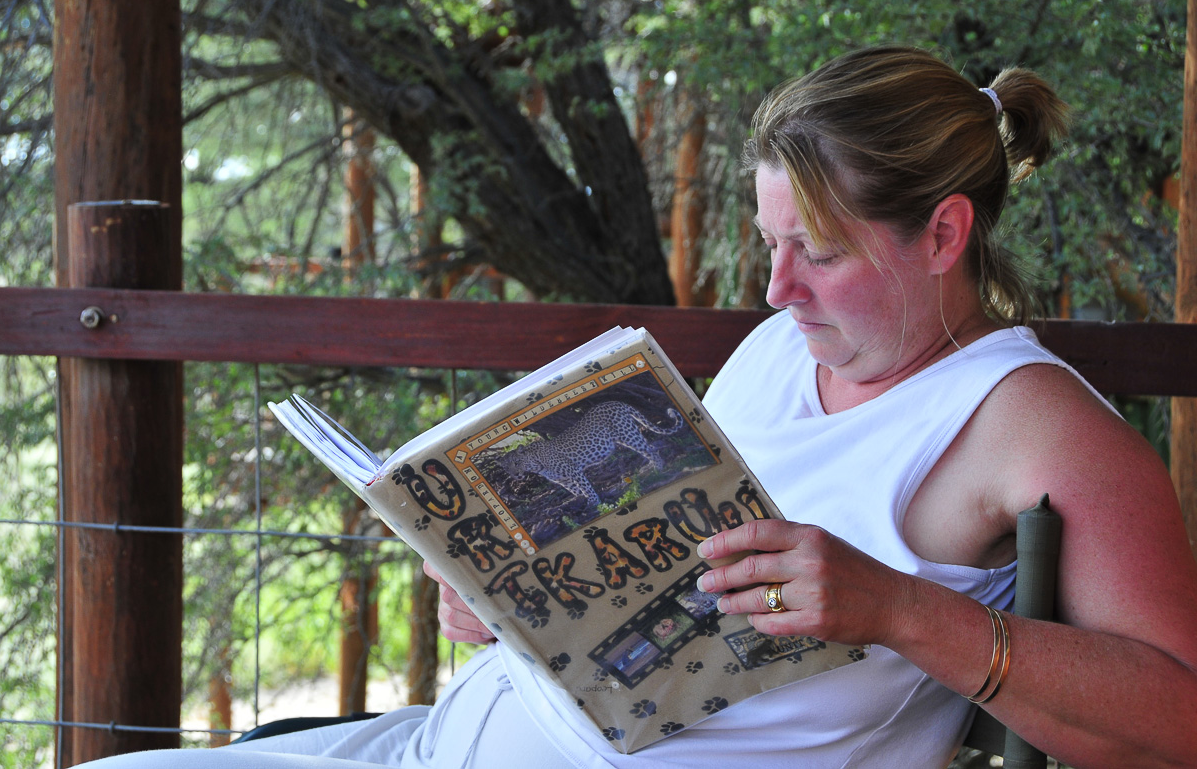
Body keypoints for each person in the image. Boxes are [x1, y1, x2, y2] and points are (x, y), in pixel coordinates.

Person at [82, 45, 1197, 768]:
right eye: (768, 244)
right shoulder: (773, 350)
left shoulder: (1028, 417)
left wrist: (901, 610)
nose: (774, 288)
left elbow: (1178, 716)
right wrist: (515, 594)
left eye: (818, 251)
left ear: (945, 233)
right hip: (437, 744)